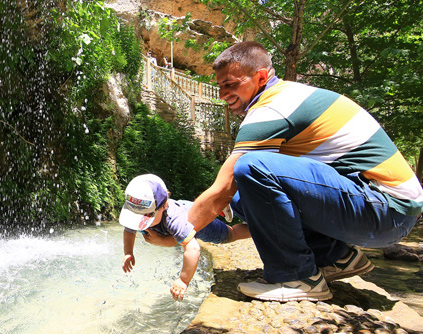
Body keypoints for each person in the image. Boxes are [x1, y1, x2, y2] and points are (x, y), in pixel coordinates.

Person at [179, 41, 423, 302]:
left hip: (387, 210)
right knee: (244, 198)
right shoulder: (285, 96)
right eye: (220, 85)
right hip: (389, 211)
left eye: (230, 83)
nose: (222, 93)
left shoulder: (271, 108)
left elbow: (223, 188)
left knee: (250, 168)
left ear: (261, 77)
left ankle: (296, 277)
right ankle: (336, 258)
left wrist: (178, 231)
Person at [119, 174, 250, 301]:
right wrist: (128, 252)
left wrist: (183, 280)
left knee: (229, 235)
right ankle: (215, 205)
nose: (138, 221)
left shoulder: (174, 219)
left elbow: (193, 249)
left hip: (195, 222)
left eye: (146, 216)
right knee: (191, 209)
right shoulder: (140, 211)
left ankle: (257, 228)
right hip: (183, 208)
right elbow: (129, 230)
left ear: (164, 205)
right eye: (136, 215)